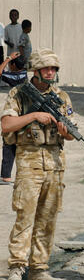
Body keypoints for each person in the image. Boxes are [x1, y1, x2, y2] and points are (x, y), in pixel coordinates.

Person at [2, 48, 75, 280]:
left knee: (47, 217)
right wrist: (34, 115)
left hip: (54, 162)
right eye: (47, 68)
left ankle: (39, 268)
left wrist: (67, 131)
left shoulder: (62, 97)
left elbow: (71, 132)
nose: (51, 72)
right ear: (36, 71)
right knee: (25, 216)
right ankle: (16, 267)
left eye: (54, 68)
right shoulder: (19, 93)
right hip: (29, 159)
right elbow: (7, 125)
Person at [0, 51, 27, 185]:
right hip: (27, 113)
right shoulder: (26, 74)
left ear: (14, 66)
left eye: (11, 65)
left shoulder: (14, 76)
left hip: (14, 111)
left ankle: (6, 176)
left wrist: (8, 58)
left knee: (9, 142)